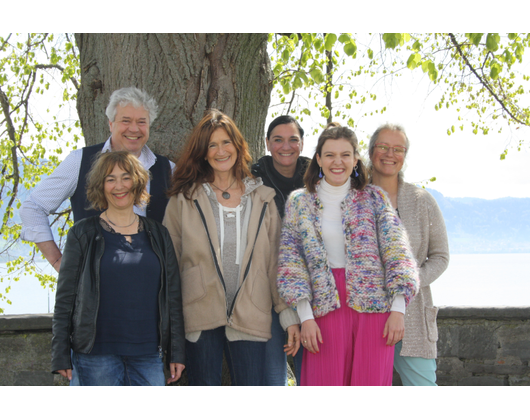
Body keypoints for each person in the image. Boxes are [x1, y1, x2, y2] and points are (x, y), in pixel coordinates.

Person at [163, 109, 300, 386]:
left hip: (252, 311)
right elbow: (169, 263)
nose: (220, 151)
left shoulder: (263, 198)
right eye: (212, 145)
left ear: (238, 147)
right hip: (199, 312)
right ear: (203, 152)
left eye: (226, 142)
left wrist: (288, 315)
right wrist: (169, 327)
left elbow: (276, 263)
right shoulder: (184, 199)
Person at [277, 123, 419, 386]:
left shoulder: (375, 198)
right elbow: (292, 265)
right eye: (329, 155)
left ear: (355, 160)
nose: (337, 162)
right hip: (323, 309)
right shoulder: (300, 203)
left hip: (374, 309)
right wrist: (305, 317)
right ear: (318, 159)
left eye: (345, 155)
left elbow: (398, 254)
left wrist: (398, 310)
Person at [51, 151, 185, 386]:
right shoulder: (83, 233)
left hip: (149, 353)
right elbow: (66, 298)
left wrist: (176, 352)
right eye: (110, 179)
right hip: (96, 354)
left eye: (126, 177)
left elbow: (172, 297)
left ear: (137, 182)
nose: (119, 186)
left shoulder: (159, 234)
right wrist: (60, 352)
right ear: (100, 186)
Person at [20, 86, 174, 274]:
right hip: (94, 289)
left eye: (142, 122)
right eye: (126, 121)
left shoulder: (168, 169)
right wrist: (59, 261)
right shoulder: (79, 161)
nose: (134, 129)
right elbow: (33, 207)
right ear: (111, 123)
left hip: (151, 287)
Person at [368, 123, 449, 386]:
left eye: (398, 149)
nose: (390, 154)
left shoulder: (421, 200)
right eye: (383, 147)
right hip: (362, 314)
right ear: (371, 152)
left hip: (412, 316)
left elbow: (440, 256)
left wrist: (408, 284)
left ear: (404, 156)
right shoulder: (352, 197)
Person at [251, 115, 309, 385]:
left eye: (293, 140)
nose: (286, 146)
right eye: (278, 140)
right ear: (267, 143)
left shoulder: (317, 177)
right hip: (266, 291)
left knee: (312, 375)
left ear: (302, 143)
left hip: (311, 294)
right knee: (271, 376)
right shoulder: (253, 180)